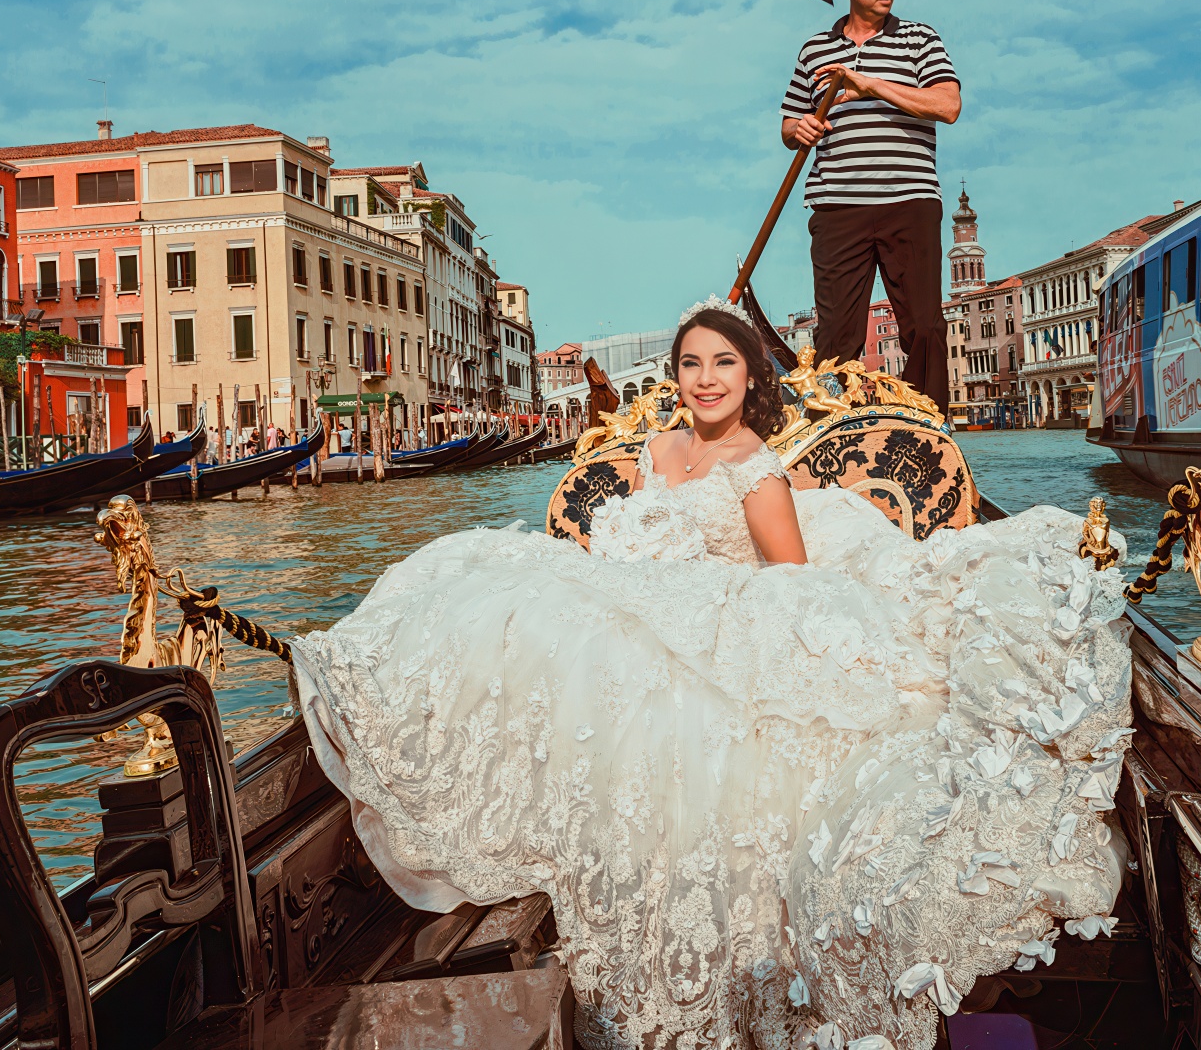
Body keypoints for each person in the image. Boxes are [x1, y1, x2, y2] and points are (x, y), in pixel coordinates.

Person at [291, 298, 1133, 1049]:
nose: (705, 378)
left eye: (723, 361)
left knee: (593, 655)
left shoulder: (760, 472)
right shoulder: (657, 449)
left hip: (721, 613)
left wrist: (695, 607)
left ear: (748, 374)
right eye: (691, 362)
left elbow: (794, 587)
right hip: (640, 597)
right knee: (496, 591)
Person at [783, 0, 959, 413]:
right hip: (837, 205)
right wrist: (798, 129)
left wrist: (869, 85)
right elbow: (788, 122)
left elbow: (947, 105)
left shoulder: (919, 39)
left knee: (923, 325)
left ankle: (931, 427)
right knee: (836, 335)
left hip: (910, 199)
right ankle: (833, 431)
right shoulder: (814, 50)